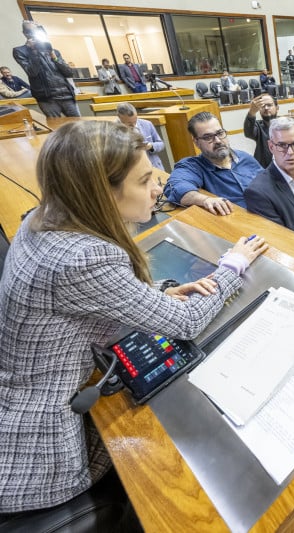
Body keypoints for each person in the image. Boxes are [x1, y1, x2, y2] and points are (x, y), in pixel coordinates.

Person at [0, 120, 267, 517]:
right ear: (101, 192)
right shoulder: (86, 257)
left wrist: (154, 295)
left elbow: (93, 299)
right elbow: (188, 322)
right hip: (41, 455)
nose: (158, 188)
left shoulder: (42, 220)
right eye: (144, 181)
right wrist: (233, 265)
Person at [165, 111, 262, 213]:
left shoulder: (245, 157)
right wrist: (205, 200)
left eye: (220, 133)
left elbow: (268, 182)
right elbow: (175, 188)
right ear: (196, 142)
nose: (218, 141)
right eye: (208, 137)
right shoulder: (193, 166)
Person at [13, 21, 79, 117]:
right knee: (56, 125)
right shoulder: (20, 51)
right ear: (26, 33)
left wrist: (54, 57)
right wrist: (33, 51)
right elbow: (32, 72)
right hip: (47, 98)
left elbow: (69, 73)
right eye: (32, 31)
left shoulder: (53, 50)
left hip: (67, 94)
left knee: (79, 124)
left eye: (38, 30)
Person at [116, 102, 166, 171]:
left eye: (135, 121)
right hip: (134, 170)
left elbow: (161, 144)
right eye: (129, 124)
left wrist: (151, 146)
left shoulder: (147, 124)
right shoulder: (114, 130)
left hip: (155, 166)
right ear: (120, 118)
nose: (134, 125)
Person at [243, 92, 279, 168]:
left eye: (269, 105)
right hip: (263, 168)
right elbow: (248, 132)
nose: (266, 108)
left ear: (277, 108)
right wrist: (252, 112)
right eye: (262, 106)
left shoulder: (284, 124)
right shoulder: (258, 125)